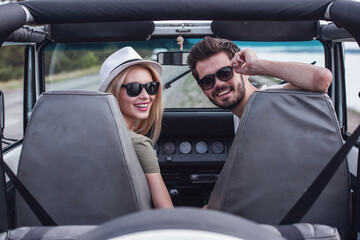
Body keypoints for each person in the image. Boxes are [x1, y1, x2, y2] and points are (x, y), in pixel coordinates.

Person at [187, 36, 333, 119]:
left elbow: (322, 78)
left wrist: (257, 65)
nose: (218, 83)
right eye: (208, 81)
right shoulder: (239, 118)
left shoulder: (276, 100)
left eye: (225, 73)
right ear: (203, 89)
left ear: (243, 71)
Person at [99, 46, 173, 209]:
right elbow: (167, 212)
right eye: (134, 89)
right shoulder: (139, 144)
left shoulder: (93, 135)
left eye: (151, 87)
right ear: (113, 92)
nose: (146, 96)